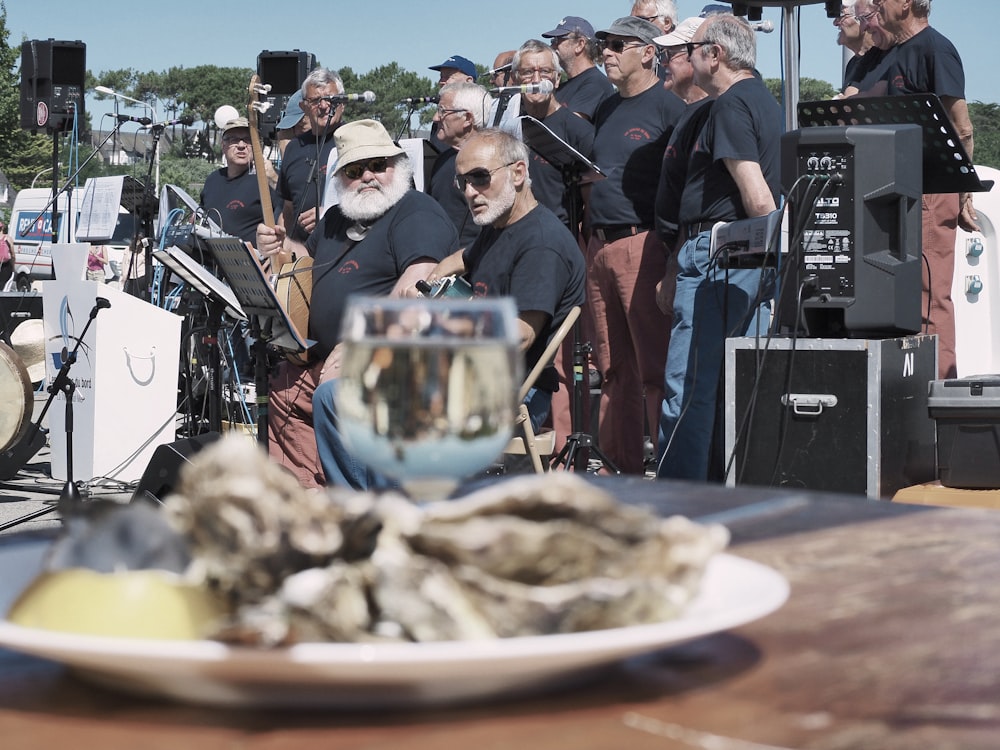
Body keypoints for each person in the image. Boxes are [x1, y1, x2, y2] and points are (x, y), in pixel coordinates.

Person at [257, 120, 458, 488]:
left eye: (378, 165)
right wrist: (280, 247)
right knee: (284, 388)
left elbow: (421, 283)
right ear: (340, 178)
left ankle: (362, 507)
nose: (367, 176)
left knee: (334, 393)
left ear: (398, 168)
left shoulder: (416, 210)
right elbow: (306, 262)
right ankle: (310, 499)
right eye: (354, 169)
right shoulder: (336, 218)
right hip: (323, 356)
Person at [657, 13, 782, 482]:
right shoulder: (764, 101)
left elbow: (759, 199)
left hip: (720, 261)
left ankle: (678, 500)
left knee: (688, 389)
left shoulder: (729, 105)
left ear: (716, 55)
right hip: (746, 263)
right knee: (734, 386)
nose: (685, 58)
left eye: (691, 49)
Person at [428, 128, 586, 436]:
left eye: (480, 177)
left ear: (518, 173)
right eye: (462, 182)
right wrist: (432, 278)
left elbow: (518, 337)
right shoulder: (501, 225)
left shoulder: (541, 244)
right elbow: (464, 258)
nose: (470, 192)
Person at [586, 16, 685, 475]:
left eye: (618, 45)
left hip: (642, 244)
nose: (606, 51)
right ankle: (615, 470)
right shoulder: (605, 109)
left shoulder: (670, 107)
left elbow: (682, 184)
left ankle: (667, 470)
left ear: (648, 52)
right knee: (611, 370)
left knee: (653, 371)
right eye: (603, 44)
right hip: (599, 247)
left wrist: (671, 254)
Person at [871, 0, 979, 379]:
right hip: (892, 191)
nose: (874, 3)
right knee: (895, 297)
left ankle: (937, 398)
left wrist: (963, 192)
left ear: (906, 2)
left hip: (931, 188)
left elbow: (961, 127)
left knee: (928, 299)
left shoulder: (936, 48)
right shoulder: (888, 54)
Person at [652, 17, 712, 314]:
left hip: (690, 259)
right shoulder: (688, 113)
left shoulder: (709, 114)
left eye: (670, 55)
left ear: (695, 57)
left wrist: (675, 266)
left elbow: (694, 204)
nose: (663, 63)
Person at [278, 68, 344, 247]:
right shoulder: (293, 148)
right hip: (301, 257)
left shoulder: (358, 140)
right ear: (304, 107)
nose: (323, 106)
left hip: (343, 253)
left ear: (342, 104)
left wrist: (330, 212)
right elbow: (288, 210)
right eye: (315, 101)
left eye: (331, 99)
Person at [200, 117, 281, 245]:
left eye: (248, 140)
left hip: (254, 260)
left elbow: (289, 211)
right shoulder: (213, 180)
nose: (241, 146)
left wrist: (274, 179)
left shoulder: (266, 177)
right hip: (212, 258)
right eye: (234, 140)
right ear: (223, 146)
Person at [428, 81, 490, 250]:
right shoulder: (444, 158)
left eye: (443, 111)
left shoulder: (489, 162)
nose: (435, 118)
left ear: (467, 119)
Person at [541, 16, 615, 121]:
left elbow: (569, 128)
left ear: (580, 44)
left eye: (558, 40)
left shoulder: (596, 83)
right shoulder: (563, 87)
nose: (552, 46)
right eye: (553, 40)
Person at [834, 1, 873, 90]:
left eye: (841, 16)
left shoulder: (884, 60)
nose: (835, 23)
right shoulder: (852, 64)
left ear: (864, 19)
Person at [0, 220, 14, 291]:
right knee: (4, 288)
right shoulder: (8, 238)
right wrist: (13, 266)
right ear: (2, 228)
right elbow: (13, 255)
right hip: (6, 266)